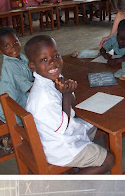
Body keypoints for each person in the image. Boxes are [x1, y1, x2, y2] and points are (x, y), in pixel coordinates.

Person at [24, 35, 114, 174]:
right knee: (108, 160)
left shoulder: (51, 77)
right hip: (60, 148)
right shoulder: (43, 98)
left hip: (59, 135)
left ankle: (84, 159)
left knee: (93, 122)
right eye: (44, 60)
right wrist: (66, 95)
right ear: (32, 66)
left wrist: (69, 91)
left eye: (56, 56)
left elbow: (71, 103)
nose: (53, 63)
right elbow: (63, 128)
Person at [0, 27, 34, 151]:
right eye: (7, 46)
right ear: (0, 50)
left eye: (15, 42)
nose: (13, 47)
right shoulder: (10, 66)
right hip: (11, 108)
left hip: (20, 98)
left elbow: (30, 75)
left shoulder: (21, 57)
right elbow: (28, 88)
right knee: (37, 117)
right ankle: (9, 141)